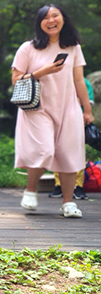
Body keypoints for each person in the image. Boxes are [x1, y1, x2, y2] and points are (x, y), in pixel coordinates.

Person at [12, 4, 94, 218]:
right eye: (45, 17)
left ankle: (68, 203)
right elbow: (15, 80)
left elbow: (78, 80)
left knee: (69, 155)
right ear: (39, 23)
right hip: (37, 108)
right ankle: (30, 190)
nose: (51, 20)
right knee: (44, 150)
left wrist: (87, 109)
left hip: (68, 107)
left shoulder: (73, 47)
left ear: (63, 19)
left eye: (55, 15)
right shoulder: (28, 48)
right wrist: (43, 71)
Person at [48, 78, 95, 200]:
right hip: (57, 118)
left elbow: (86, 102)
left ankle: (78, 186)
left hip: (77, 120)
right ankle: (59, 185)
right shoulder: (56, 79)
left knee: (77, 153)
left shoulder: (84, 82)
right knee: (57, 152)